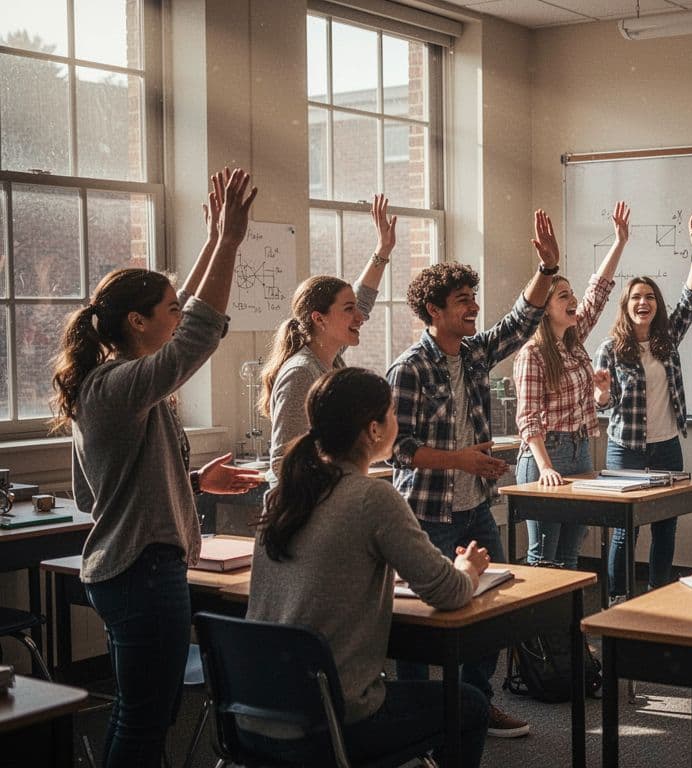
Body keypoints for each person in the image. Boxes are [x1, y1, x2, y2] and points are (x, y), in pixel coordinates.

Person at [50, 169, 264, 767]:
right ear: (138, 322)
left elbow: (103, 492)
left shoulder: (119, 382)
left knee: (151, 713)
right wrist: (227, 243)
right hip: (140, 574)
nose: (177, 312)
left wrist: (193, 482)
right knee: (143, 721)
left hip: (135, 570)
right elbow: (197, 331)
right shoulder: (120, 384)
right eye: (165, 308)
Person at [247, 367, 490, 766]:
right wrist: (468, 568)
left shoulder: (283, 497)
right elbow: (447, 592)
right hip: (333, 721)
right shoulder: (371, 498)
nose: (398, 421)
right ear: (374, 431)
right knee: (471, 705)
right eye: (393, 413)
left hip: (257, 715)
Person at [386, 209, 562, 737]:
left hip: (475, 510)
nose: (474, 307)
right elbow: (398, 448)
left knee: (489, 613)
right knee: (421, 621)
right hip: (428, 513)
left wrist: (547, 269)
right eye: (462, 300)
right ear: (433, 309)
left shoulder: (474, 355)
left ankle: (475, 706)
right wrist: (459, 460)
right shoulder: (408, 368)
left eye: (472, 298)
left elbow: (520, 320)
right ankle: (420, 715)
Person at [595, 214, 692, 599]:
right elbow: (602, 404)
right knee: (625, 531)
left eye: (649, 298)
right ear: (626, 306)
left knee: (666, 525)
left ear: (657, 306)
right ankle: (617, 600)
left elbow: (690, 300)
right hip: (625, 450)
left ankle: (659, 595)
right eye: (636, 298)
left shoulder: (667, 339)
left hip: (667, 446)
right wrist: (600, 395)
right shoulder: (609, 350)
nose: (643, 302)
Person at [512, 202, 628, 568]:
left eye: (571, 294)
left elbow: (600, 289)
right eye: (563, 296)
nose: (574, 300)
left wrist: (620, 241)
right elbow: (528, 418)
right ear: (545, 308)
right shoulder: (532, 353)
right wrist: (546, 467)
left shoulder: (574, 341)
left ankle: (567, 627)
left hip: (578, 451)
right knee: (544, 556)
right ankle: (540, 627)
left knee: (570, 551)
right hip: (547, 453)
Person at [260, 194, 397, 479]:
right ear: (318, 318)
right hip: (305, 510)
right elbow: (281, 463)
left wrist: (383, 250)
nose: (359, 317)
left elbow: (363, 299)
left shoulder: (330, 360)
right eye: (349, 310)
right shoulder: (301, 373)